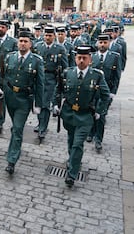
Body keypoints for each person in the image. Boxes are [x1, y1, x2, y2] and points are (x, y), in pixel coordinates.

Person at [53, 45, 110, 188]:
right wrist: (56, 104)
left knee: (78, 143)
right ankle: (73, 160)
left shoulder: (97, 76)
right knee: (71, 141)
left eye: (84, 58)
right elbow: (58, 89)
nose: (81, 61)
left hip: (85, 116)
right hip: (69, 113)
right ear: (75, 58)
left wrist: (99, 111)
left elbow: (105, 95)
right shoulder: (68, 73)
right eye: (79, 58)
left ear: (90, 60)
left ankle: (72, 174)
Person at [0, 31, 44, 174]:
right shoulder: (10, 57)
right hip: (10, 97)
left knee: (17, 128)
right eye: (20, 41)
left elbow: (40, 84)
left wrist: (38, 104)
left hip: (24, 99)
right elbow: (2, 73)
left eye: (25, 41)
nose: (22, 44)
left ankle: (12, 160)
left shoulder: (36, 61)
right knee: (15, 127)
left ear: (30, 44)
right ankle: (15, 144)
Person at [33, 26, 68, 140]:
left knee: (46, 104)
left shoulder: (60, 49)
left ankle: (43, 127)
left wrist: (62, 82)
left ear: (54, 36)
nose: (47, 37)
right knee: (38, 102)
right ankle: (39, 123)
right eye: (46, 35)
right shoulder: (38, 46)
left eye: (50, 35)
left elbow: (65, 67)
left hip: (51, 78)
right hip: (38, 78)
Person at [90, 34, 122, 151]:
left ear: (109, 43)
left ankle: (99, 139)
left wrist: (113, 92)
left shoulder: (114, 57)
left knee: (101, 115)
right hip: (93, 91)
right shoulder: (92, 57)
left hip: (106, 92)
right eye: (100, 42)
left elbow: (116, 76)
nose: (102, 45)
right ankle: (91, 133)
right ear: (97, 43)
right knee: (92, 112)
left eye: (105, 43)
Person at [0, 20, 18, 133]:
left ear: (7, 29)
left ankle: (14, 120)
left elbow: (15, 59)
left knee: (8, 98)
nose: (0, 29)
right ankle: (0, 119)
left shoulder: (13, 42)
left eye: (2, 27)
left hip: (7, 75)